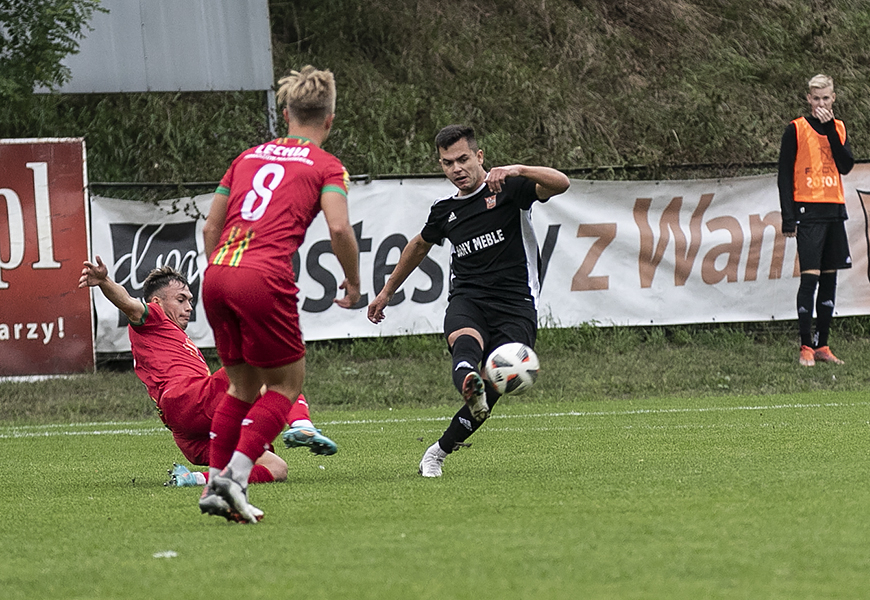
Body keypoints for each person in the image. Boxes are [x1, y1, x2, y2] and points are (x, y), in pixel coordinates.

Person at [200, 65, 360, 523]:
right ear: (329, 120)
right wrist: (353, 282)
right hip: (263, 277)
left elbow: (211, 227)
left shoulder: (246, 157)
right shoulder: (327, 166)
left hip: (218, 273)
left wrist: (223, 272)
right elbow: (338, 227)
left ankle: (214, 487)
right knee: (286, 386)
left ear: (286, 114)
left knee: (242, 386)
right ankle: (234, 480)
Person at [367, 124, 569, 477]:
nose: (457, 169)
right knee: (464, 344)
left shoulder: (509, 190)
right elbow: (418, 246)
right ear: (441, 165)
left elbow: (561, 183)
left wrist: (518, 169)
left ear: (479, 156)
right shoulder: (445, 211)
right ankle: (467, 380)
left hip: (515, 305)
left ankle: (437, 452)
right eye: (448, 163)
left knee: (491, 393)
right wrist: (386, 292)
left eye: (463, 159)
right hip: (468, 299)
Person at [78, 259, 338, 488]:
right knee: (274, 367)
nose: (189, 306)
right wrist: (104, 282)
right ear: (157, 302)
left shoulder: (174, 339)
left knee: (276, 468)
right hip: (187, 399)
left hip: (188, 432)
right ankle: (302, 425)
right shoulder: (154, 317)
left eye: (190, 300)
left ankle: (193, 479)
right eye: (181, 299)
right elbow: (128, 303)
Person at [778, 74, 855, 367]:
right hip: (808, 212)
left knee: (830, 279)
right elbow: (784, 175)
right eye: (816, 98)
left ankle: (823, 344)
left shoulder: (839, 128)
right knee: (810, 278)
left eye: (826, 98)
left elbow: (846, 165)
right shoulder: (796, 129)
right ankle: (805, 346)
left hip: (834, 209)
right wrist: (789, 218)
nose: (821, 103)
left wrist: (831, 130)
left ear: (833, 98)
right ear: (808, 99)